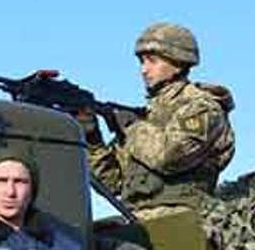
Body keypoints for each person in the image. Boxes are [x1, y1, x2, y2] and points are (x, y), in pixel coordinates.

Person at [84, 22, 236, 217]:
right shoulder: (147, 119)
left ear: (177, 63)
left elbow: (168, 156)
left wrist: (131, 126)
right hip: (138, 218)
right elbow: (113, 184)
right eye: (142, 62)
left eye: (152, 61)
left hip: (185, 217)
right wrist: (92, 139)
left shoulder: (202, 108)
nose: (143, 70)